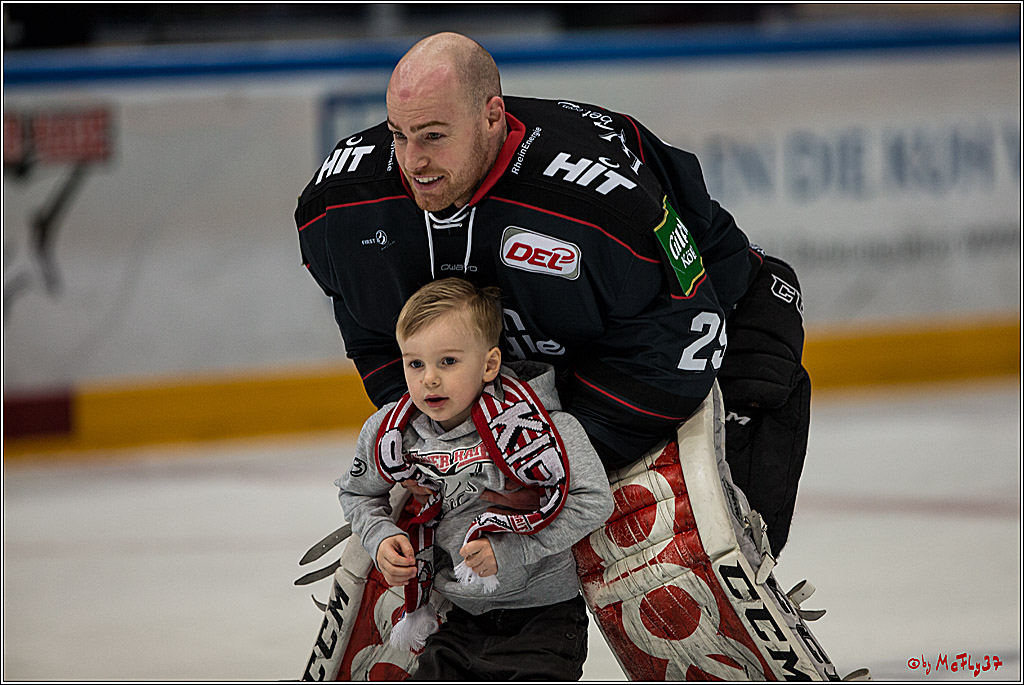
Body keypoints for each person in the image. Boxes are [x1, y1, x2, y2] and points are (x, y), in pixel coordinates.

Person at [295, 31, 809, 555]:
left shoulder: (599, 210)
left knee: (688, 553)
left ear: (492, 117)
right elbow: (376, 333)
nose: (412, 161)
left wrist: (549, 459)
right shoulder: (342, 206)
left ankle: (743, 581)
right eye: (398, 135)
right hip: (552, 351)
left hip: (720, 311)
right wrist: (443, 449)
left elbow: (683, 334)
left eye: (432, 136)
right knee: (479, 535)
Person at [336, 277, 614, 681]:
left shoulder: (542, 428)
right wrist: (379, 537)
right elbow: (357, 493)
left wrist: (512, 552)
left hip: (544, 617)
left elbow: (593, 500)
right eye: (415, 363)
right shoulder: (392, 433)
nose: (429, 378)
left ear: (489, 364)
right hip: (457, 617)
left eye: (447, 361)